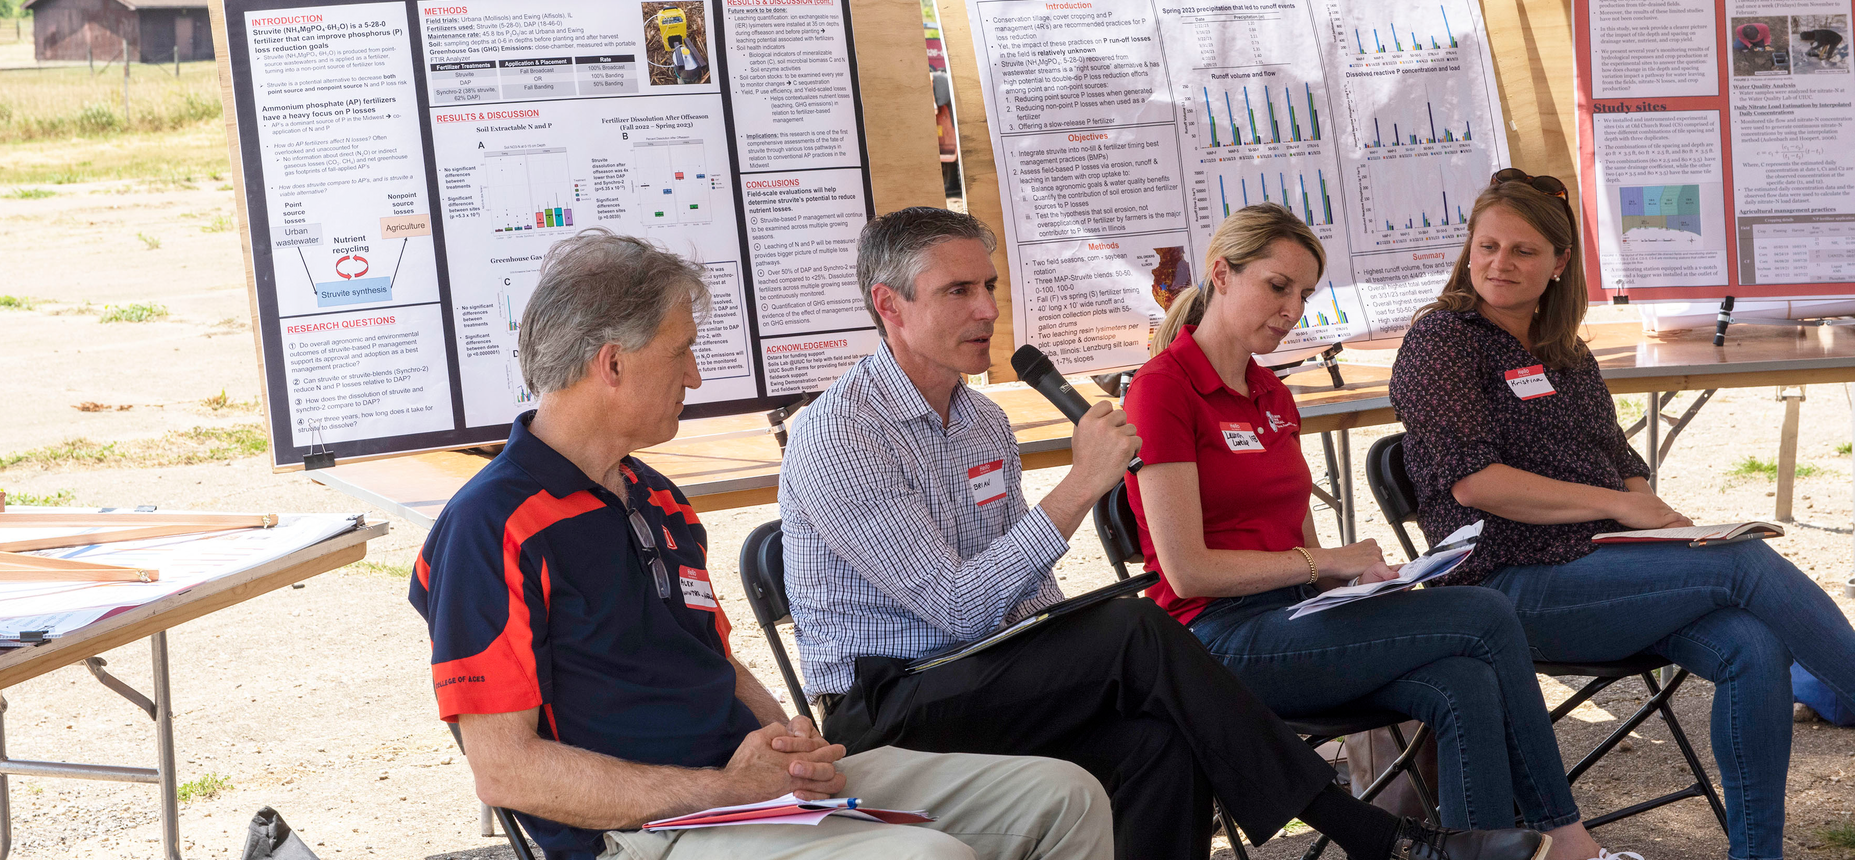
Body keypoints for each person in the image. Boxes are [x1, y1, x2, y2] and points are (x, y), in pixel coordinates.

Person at [778, 205, 1551, 860]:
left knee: (1163, 737)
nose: (986, 310)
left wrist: (1066, 647)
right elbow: (956, 607)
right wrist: (1082, 484)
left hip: (983, 675)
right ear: (890, 305)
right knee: (1130, 626)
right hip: (887, 702)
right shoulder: (840, 432)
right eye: (959, 291)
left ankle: (1399, 840)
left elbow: (1025, 596)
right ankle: (1377, 837)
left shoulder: (981, 420)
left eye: (989, 287)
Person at [409, 229, 1116, 860]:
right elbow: (505, 770)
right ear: (612, 364)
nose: (695, 375)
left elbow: (712, 659)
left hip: (748, 793)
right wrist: (726, 789)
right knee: (923, 856)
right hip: (645, 831)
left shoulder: (655, 496)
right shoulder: (492, 524)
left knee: (1067, 797)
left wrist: (791, 743)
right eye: (682, 351)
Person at [1121, 203, 1624, 860]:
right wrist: (1324, 562)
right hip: (1213, 644)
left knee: (1465, 680)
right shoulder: (1162, 388)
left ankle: (1483, 849)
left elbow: (1300, 541)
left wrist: (1358, 581)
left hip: (1294, 620)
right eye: (1278, 286)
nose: (1292, 310)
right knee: (1486, 612)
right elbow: (1188, 571)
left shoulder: (1271, 392)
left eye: (1304, 294)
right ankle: (1565, 838)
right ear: (1221, 274)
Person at [1391, 170, 1855, 860]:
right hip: (1504, 585)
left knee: (1754, 645)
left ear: (1559, 263)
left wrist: (1657, 519)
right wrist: (1620, 505)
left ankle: (1758, 855)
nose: (1499, 263)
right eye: (1487, 246)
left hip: (1603, 567)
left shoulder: (1562, 347)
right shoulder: (1443, 340)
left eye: (1522, 250)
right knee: (1741, 562)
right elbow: (1475, 485)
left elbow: (1616, 455)